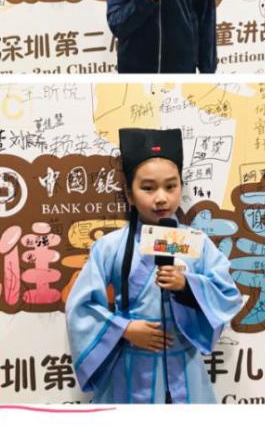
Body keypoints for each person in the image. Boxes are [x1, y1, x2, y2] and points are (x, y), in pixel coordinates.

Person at [66, 128, 242, 403]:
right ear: (129, 194)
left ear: (181, 187)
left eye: (170, 187)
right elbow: (81, 306)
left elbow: (228, 295)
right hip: (132, 366)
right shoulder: (110, 246)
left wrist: (187, 286)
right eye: (148, 188)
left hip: (185, 364)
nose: (161, 198)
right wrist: (124, 329)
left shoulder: (196, 242)